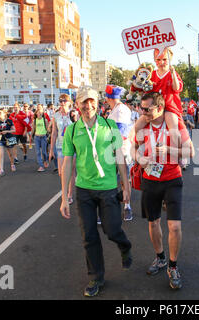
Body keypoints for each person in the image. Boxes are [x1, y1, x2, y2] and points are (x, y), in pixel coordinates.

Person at [60, 86, 132, 298]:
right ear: (77, 105)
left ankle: (124, 245)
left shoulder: (110, 126)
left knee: (111, 230)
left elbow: (120, 157)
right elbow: (66, 165)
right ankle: (96, 277)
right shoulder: (71, 130)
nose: (88, 105)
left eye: (91, 101)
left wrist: (125, 186)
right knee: (89, 236)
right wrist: (65, 196)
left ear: (98, 103)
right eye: (84, 102)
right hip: (84, 191)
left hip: (108, 188)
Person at [132, 92, 194, 290]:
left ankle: (173, 266)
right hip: (150, 180)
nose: (143, 113)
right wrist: (138, 158)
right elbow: (131, 147)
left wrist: (168, 150)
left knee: (174, 226)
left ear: (159, 108)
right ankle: (160, 258)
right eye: (141, 109)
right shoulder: (143, 125)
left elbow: (190, 151)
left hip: (172, 180)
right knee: (153, 223)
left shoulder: (173, 124)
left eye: (147, 109)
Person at [134, 48, 184, 152]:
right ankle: (142, 147)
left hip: (169, 107)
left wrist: (173, 73)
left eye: (165, 59)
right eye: (158, 59)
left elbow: (176, 88)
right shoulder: (151, 74)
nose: (161, 62)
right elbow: (145, 92)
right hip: (154, 108)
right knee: (137, 126)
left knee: (173, 127)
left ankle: (177, 151)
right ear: (154, 60)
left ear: (170, 59)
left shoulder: (173, 73)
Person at [106, 85, 134, 221]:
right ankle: (113, 207)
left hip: (120, 150)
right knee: (114, 180)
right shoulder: (117, 109)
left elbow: (121, 132)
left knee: (124, 180)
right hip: (115, 149)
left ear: (107, 98)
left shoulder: (120, 110)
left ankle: (127, 206)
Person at [50, 94, 75, 204]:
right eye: (60, 100)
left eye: (65, 100)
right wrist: (51, 149)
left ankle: (69, 194)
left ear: (69, 102)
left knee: (71, 171)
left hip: (72, 146)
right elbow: (54, 133)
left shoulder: (74, 114)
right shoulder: (56, 115)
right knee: (61, 172)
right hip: (60, 146)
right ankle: (65, 191)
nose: (62, 102)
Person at [0, 109, 17, 177]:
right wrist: (0, 132)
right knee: (0, 154)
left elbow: (14, 130)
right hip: (0, 139)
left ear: (4, 114)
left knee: (10, 154)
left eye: (0, 112)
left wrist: (7, 131)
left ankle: (12, 164)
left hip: (9, 139)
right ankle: (1, 170)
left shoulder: (9, 121)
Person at [32, 105, 50, 172]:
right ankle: (41, 166)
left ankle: (45, 160)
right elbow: (33, 129)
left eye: (40, 113)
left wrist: (50, 134)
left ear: (42, 114)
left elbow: (48, 129)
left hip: (43, 137)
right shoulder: (34, 121)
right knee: (38, 152)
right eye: (38, 113)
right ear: (36, 113)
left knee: (44, 152)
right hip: (37, 137)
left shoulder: (45, 120)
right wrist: (30, 136)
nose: (39, 114)